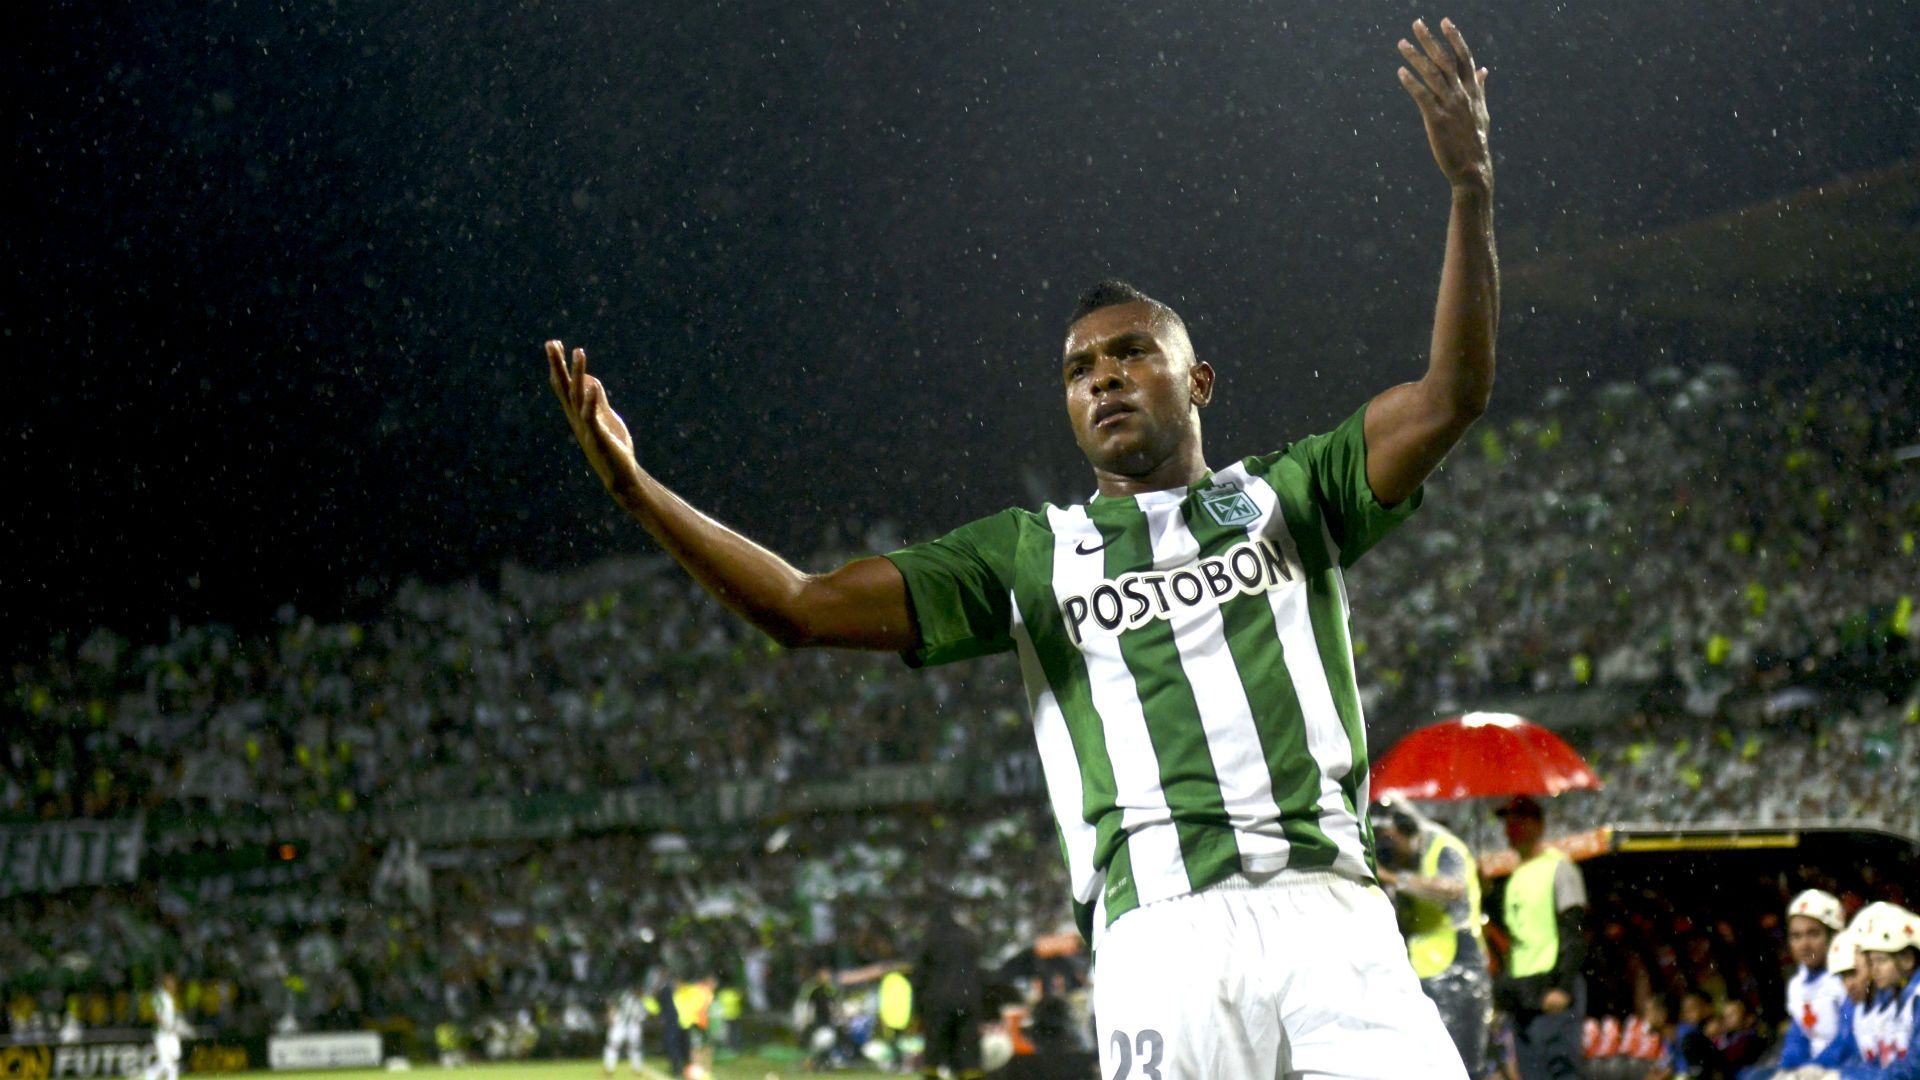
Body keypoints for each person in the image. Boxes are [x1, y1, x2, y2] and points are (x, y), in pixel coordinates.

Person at [545, 14, 1497, 1076]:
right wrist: (640, 496)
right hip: (1163, 931)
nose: (1101, 376)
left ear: (1199, 381)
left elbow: (1453, 394)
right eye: (1079, 368)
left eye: (1134, 352)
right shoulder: (1029, 554)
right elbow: (801, 608)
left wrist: (1468, 193)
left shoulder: (1294, 493)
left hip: (1333, 912)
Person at [1371, 796, 1493, 1075]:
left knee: (1461, 1066)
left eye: (1389, 839)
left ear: (1408, 829)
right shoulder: (1405, 864)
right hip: (1421, 973)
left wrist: (1392, 878)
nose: (1387, 849)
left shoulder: (1443, 848)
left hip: (1458, 969)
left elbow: (1450, 890)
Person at [1492, 795, 1586, 1080]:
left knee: (1559, 1069)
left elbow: (1574, 929)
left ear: (1538, 825)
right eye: (1508, 822)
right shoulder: (1515, 876)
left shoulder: (1559, 867)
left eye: (1518, 820)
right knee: (1532, 1072)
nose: (1510, 828)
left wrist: (1564, 986)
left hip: (1551, 986)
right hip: (1524, 991)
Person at [1774, 889, 1853, 1072]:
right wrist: (1786, 1069)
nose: (1804, 944)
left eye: (1813, 934)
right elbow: (1798, 1036)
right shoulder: (1796, 984)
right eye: (1796, 936)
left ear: (1833, 936)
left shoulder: (1848, 979)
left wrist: (1816, 1067)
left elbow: (1847, 1039)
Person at [917, 905, 984, 1080]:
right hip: (968, 1001)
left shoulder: (931, 939)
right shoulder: (969, 938)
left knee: (934, 1050)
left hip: (938, 1001)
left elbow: (920, 975)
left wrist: (917, 1009)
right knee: (968, 1050)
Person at [602, 982, 649, 1077]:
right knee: (615, 1046)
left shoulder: (641, 1000)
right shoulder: (627, 996)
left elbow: (643, 1015)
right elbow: (611, 1003)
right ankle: (610, 1068)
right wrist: (610, 1014)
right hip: (622, 1025)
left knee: (632, 1047)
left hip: (630, 1025)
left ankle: (636, 1068)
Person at [147, 974, 184, 1080]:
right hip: (162, 1033)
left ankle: (154, 1075)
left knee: (174, 1058)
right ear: (165, 984)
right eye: (171, 982)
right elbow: (156, 1015)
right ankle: (150, 1075)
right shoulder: (159, 997)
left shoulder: (170, 998)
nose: (173, 985)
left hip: (171, 1033)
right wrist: (165, 1026)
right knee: (165, 1061)